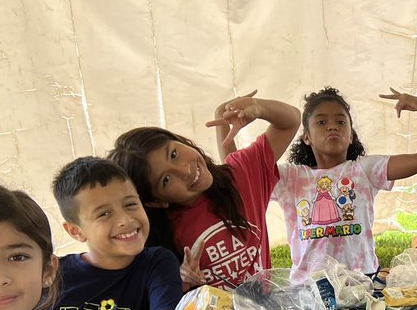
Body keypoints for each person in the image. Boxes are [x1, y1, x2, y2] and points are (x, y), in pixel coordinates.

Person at [108, 91, 300, 290]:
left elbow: (291, 121)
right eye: (166, 179)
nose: (185, 170)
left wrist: (259, 107)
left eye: (174, 154)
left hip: (264, 307)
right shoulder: (159, 237)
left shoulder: (242, 175)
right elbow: (157, 298)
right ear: (155, 201)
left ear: (180, 140)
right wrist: (183, 283)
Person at [270, 85, 417, 278]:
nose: (332, 127)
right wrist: (237, 120)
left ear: (351, 136)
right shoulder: (290, 178)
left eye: (341, 122)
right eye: (321, 122)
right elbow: (245, 173)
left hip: (360, 282)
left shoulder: (364, 170)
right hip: (308, 286)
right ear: (306, 137)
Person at [43, 157, 183, 310]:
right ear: (76, 231)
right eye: (104, 214)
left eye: (130, 204)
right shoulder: (53, 273)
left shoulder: (156, 263)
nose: (125, 220)